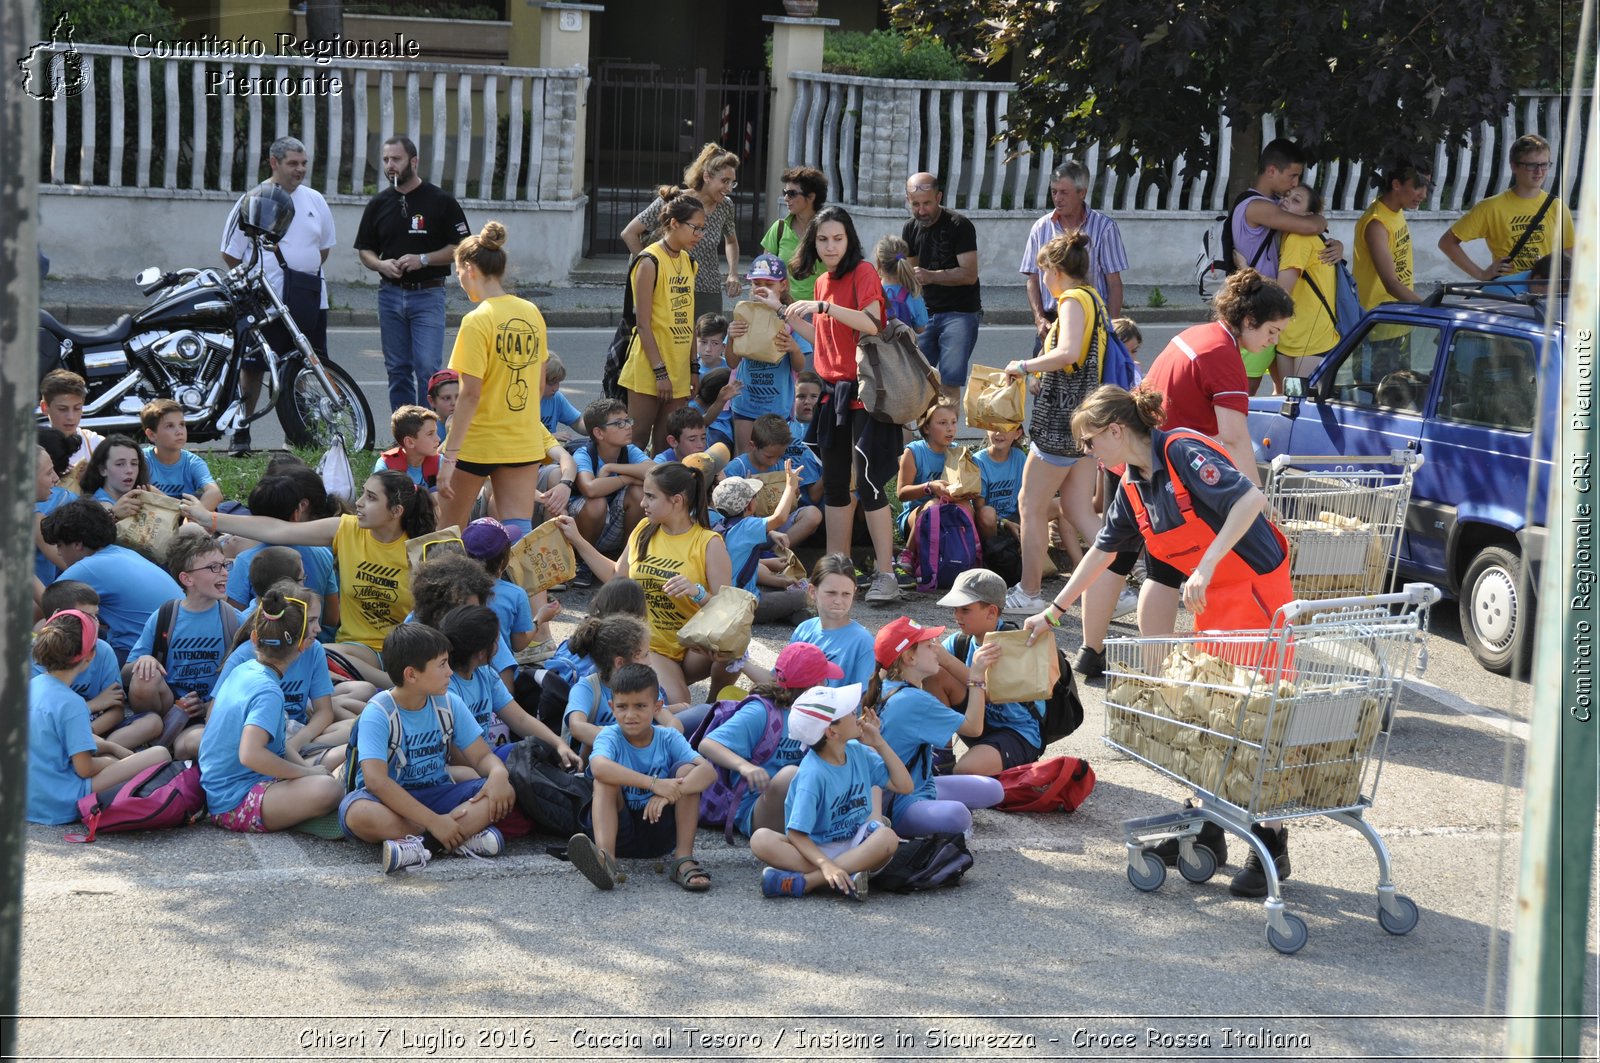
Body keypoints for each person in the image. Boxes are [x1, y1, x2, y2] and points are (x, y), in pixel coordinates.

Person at [1020, 385, 1294, 897]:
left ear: (1116, 431)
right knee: (1207, 714)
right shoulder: (1132, 486)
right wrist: (1053, 612)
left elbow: (1251, 499)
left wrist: (1207, 565)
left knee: (1261, 719)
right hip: (1213, 603)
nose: (1088, 453)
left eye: (1089, 441)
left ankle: (1271, 842)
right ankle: (1208, 830)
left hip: (1257, 593)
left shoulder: (1181, 452)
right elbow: (1101, 553)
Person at [180, 469, 437, 684]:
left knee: (305, 653)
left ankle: (395, 683)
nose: (358, 502)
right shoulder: (347, 529)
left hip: (397, 652)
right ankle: (389, 685)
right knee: (306, 655)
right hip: (351, 650)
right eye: (362, 493)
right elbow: (279, 529)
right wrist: (209, 518)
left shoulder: (423, 549)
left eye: (370, 497)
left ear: (396, 511)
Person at [783, 206, 901, 605]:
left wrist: (825, 308)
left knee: (867, 483)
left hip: (864, 394)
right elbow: (824, 341)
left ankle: (886, 574)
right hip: (833, 394)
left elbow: (870, 323)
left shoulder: (864, 272)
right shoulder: (820, 282)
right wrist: (782, 312)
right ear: (813, 243)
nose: (830, 246)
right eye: (822, 239)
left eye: (837, 238)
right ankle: (838, 570)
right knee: (834, 485)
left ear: (849, 239)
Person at [339, 623, 514, 873]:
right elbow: (377, 782)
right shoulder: (378, 713)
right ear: (411, 674)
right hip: (388, 801)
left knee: (503, 789)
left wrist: (498, 774)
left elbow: (482, 756)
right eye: (442, 665)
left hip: (436, 792)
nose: (450, 672)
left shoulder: (448, 702)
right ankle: (460, 837)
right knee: (357, 813)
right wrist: (434, 822)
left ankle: (423, 845)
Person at [436, 220, 573, 538]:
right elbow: (539, 387)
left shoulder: (476, 321)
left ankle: (445, 589)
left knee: (448, 532)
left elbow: (469, 396)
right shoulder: (531, 312)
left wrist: (449, 457)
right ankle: (534, 591)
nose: (459, 281)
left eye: (458, 272)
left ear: (469, 268)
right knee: (520, 536)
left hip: (477, 443)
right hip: (522, 441)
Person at [1000, 231, 1110, 616]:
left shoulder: (1071, 301)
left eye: (1045, 271)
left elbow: (1067, 354)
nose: (1043, 279)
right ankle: (1116, 588)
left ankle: (1029, 592)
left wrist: (1023, 366)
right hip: (1082, 418)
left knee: (1030, 505)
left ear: (1057, 270)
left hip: (1060, 422)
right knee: (1080, 509)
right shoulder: (1094, 297)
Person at [221, 135, 335, 454]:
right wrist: (262, 280)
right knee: (255, 366)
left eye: (303, 164)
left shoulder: (315, 200)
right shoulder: (253, 199)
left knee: (306, 363)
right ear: (274, 163)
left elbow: (323, 249)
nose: (300, 170)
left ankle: (299, 433)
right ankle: (241, 429)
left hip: (310, 297)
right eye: (292, 164)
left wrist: (299, 276)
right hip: (265, 302)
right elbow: (231, 254)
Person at [198, 588, 344, 833]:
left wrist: (307, 772)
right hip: (234, 802)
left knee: (329, 771)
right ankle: (304, 815)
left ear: (255, 638)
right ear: (303, 645)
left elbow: (276, 744)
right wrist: (303, 774)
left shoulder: (246, 669)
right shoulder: (269, 691)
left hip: (225, 789)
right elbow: (250, 755)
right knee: (330, 790)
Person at [749, 682, 911, 899]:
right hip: (816, 849)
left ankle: (808, 883)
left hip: (856, 841)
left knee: (887, 837)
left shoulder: (857, 751)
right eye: (849, 712)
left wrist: (879, 742)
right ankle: (849, 874)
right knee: (760, 839)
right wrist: (825, 864)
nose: (857, 713)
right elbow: (796, 834)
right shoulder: (813, 774)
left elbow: (904, 785)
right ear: (832, 732)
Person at [567, 662, 716, 892]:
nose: (630, 715)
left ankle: (683, 859)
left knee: (688, 771)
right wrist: (654, 784)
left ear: (657, 707)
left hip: (660, 831)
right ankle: (606, 860)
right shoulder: (609, 736)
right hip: (620, 831)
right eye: (622, 706)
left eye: (640, 706)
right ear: (612, 707)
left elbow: (708, 771)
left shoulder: (667, 737)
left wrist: (669, 793)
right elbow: (598, 768)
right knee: (605, 780)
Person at [355, 135, 471, 413]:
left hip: (428, 294)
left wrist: (423, 259)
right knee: (397, 369)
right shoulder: (379, 203)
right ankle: (404, 431)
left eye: (396, 159)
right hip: (390, 295)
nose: (390, 165)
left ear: (414, 161)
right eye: (385, 160)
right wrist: (381, 265)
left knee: (428, 370)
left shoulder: (440, 201)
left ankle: (429, 433)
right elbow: (364, 250)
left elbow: (462, 247)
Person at [27, 609, 172, 825]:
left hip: (28, 801)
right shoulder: (72, 703)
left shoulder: (31, 686)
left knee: (112, 753)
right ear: (90, 655)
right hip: (62, 801)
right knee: (160, 754)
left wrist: (112, 748)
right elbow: (85, 769)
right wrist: (108, 760)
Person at [866, 616, 1003, 837]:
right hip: (899, 804)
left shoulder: (888, 686)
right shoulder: (913, 700)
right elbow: (974, 728)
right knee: (958, 815)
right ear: (909, 658)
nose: (936, 650)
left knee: (994, 789)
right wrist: (976, 676)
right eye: (928, 646)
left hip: (920, 785)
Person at [612, 462, 732, 707]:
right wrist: (576, 539)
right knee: (680, 704)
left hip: (693, 648)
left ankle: (714, 706)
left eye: (650, 496)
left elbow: (729, 613)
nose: (643, 503)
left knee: (734, 648)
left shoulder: (709, 542)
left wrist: (697, 592)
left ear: (677, 500)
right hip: (654, 646)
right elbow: (616, 576)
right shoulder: (645, 528)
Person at [699, 643, 844, 837]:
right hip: (756, 808)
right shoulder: (761, 712)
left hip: (798, 801)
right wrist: (745, 767)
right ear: (815, 686)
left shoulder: (814, 713)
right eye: (824, 681)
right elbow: (708, 744)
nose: (826, 686)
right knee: (789, 775)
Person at [124, 531, 242, 758]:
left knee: (191, 745)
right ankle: (152, 735)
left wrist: (209, 707)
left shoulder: (233, 618)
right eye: (213, 568)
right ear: (187, 579)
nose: (225, 573)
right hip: (166, 706)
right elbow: (126, 674)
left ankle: (171, 748)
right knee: (143, 676)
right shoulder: (166, 614)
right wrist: (144, 660)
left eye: (225, 565)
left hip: (207, 710)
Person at [41, 499, 183, 665]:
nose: (58, 553)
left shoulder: (87, 567)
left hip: (145, 657)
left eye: (60, 545)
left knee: (48, 633)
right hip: (177, 649)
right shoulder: (124, 553)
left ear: (77, 544)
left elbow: (48, 609)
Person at [934, 570, 1045, 775]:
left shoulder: (1015, 645)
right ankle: (942, 755)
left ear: (992, 612)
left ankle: (999, 762)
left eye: (965, 610)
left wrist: (949, 661)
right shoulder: (959, 641)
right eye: (955, 609)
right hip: (976, 724)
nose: (956, 616)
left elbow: (994, 696)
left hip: (1016, 733)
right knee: (935, 673)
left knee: (965, 771)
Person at [437, 605, 577, 766]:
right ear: (481, 652)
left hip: (485, 758)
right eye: (497, 641)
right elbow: (456, 755)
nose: (500, 645)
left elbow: (520, 719)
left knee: (538, 749)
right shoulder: (446, 687)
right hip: (462, 766)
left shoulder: (486, 674)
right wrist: (495, 773)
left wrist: (559, 744)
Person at [618, 194, 704, 453]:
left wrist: (693, 367)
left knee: (667, 446)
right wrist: (660, 373)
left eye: (703, 228)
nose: (700, 234)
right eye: (695, 227)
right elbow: (642, 324)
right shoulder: (649, 261)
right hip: (649, 367)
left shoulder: (690, 262)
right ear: (675, 223)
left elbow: (688, 320)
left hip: (679, 370)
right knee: (635, 442)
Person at [621, 142, 743, 323]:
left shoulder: (726, 205)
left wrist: (733, 273)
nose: (729, 188)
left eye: (733, 182)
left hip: (707, 288)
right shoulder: (675, 201)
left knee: (707, 343)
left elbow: (731, 241)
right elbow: (629, 233)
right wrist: (651, 271)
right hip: (669, 285)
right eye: (725, 181)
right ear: (707, 176)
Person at [1020, 160, 1129, 355]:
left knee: (1091, 384)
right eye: (1054, 191)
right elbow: (1033, 279)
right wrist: (1039, 319)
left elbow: (1114, 282)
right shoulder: (1041, 227)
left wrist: (1112, 328)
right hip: (1052, 322)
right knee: (1043, 383)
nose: (1057, 198)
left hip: (1093, 321)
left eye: (1064, 192)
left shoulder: (1104, 228)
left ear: (1082, 193)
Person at [36, 581, 158, 749]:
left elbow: (116, 709)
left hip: (95, 728)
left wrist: (87, 735)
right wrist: (94, 704)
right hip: (55, 731)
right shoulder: (38, 653)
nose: (95, 623)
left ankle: (89, 752)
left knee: (152, 722)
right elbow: (42, 719)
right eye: (87, 616)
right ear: (59, 615)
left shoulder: (102, 649)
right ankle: (93, 754)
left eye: (96, 615)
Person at [1440, 133, 1574, 280]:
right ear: (1514, 166)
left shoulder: (1557, 207)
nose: (1539, 171)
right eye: (1531, 165)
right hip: (1508, 290)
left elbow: (1568, 253)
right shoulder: (1491, 207)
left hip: (1545, 289)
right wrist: (1481, 274)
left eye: (1544, 164)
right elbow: (1447, 242)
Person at [901, 172, 981, 404]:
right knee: (916, 378)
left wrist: (929, 276)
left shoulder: (960, 225)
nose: (921, 210)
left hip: (960, 313)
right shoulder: (909, 228)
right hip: (925, 315)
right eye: (915, 204)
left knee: (949, 382)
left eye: (927, 203)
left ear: (939, 197)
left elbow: (969, 274)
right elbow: (909, 270)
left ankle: (947, 438)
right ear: (908, 201)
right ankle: (922, 437)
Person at [727, 255, 808, 456]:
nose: (761, 288)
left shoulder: (791, 317)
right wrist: (731, 338)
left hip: (777, 407)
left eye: (768, 284)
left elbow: (800, 367)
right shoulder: (744, 312)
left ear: (783, 285)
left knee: (772, 457)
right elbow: (731, 361)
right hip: (745, 403)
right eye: (756, 283)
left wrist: (794, 348)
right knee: (744, 456)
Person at [568, 397, 651, 584]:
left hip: (610, 524)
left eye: (628, 420)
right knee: (596, 502)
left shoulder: (628, 450)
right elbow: (589, 488)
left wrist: (612, 468)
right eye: (619, 423)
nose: (628, 426)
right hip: (581, 526)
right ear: (598, 432)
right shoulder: (584, 453)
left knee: (639, 493)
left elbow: (655, 472)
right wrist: (627, 478)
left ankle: (625, 560)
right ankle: (583, 562)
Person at [1273, 184, 1342, 386]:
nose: (1286, 200)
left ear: (1308, 215)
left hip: (1311, 342)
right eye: (1286, 195)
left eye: (1296, 200)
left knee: (1300, 406)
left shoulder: (1298, 238)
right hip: (1294, 337)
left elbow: (1281, 292)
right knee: (1291, 403)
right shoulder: (1288, 235)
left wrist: (1243, 267)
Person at [1352, 155, 1432, 310]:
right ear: (1396, 184)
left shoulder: (1395, 210)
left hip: (1401, 312)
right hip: (1378, 319)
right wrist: (1429, 309)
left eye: (1426, 187)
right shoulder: (1376, 224)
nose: (1423, 194)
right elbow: (1390, 283)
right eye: (1418, 186)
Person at [761, 165, 827, 303]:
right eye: (785, 192)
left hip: (820, 312)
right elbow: (765, 273)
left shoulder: (828, 231)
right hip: (783, 310)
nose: (786, 198)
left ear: (811, 197)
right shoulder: (778, 228)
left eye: (792, 194)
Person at [139, 399, 221, 507]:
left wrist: (194, 516)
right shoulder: (141, 460)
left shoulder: (193, 463)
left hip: (186, 515)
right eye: (170, 426)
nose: (179, 431)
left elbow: (214, 493)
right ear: (151, 435)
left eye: (182, 424)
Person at [38, 369, 102, 469]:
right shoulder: (34, 449)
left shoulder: (97, 446)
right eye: (62, 409)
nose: (71, 417)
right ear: (44, 407)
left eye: (77, 408)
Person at [79, 435, 149, 518]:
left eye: (134, 464)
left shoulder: (146, 492)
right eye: (120, 464)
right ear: (103, 469)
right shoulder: (94, 507)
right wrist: (113, 515)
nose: (129, 470)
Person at [373, 405, 441, 490]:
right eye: (430, 434)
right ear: (410, 442)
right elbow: (377, 499)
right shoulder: (386, 466)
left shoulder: (441, 463)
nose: (438, 439)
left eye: (436, 432)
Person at [874, 235, 928, 331]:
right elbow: (920, 329)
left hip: (876, 345)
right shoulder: (913, 293)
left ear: (879, 263)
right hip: (902, 345)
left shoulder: (872, 291)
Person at [539, 355, 586, 442]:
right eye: (551, 383)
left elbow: (577, 422)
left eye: (558, 382)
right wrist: (550, 436)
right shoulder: (522, 402)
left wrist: (599, 428)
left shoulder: (556, 397)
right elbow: (520, 436)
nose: (556, 388)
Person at [426, 368, 460, 447]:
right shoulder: (424, 432)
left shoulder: (474, 425)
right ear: (432, 401)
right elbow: (431, 459)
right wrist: (450, 437)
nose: (454, 403)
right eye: (446, 398)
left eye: (459, 397)